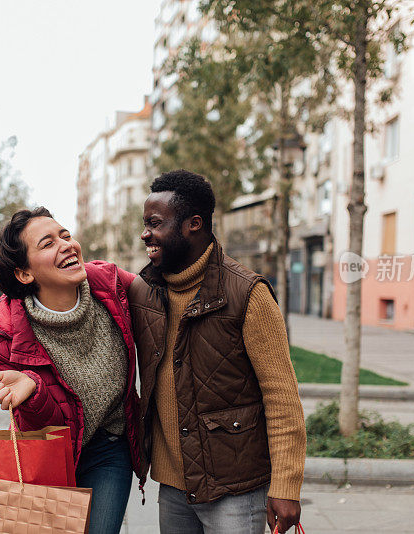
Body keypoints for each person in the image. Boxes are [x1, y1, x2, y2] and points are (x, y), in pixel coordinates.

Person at [129, 170, 307, 534]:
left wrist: (286, 487)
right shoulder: (143, 292)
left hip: (236, 489)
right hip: (174, 488)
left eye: (155, 223)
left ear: (194, 224)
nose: (145, 234)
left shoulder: (247, 293)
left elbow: (282, 397)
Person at [0, 207, 141, 534]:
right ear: (24, 273)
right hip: (49, 456)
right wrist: (33, 391)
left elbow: (165, 301)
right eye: (48, 243)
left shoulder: (111, 285)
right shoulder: (5, 331)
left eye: (65, 235)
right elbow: (41, 432)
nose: (66, 244)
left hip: (109, 448)